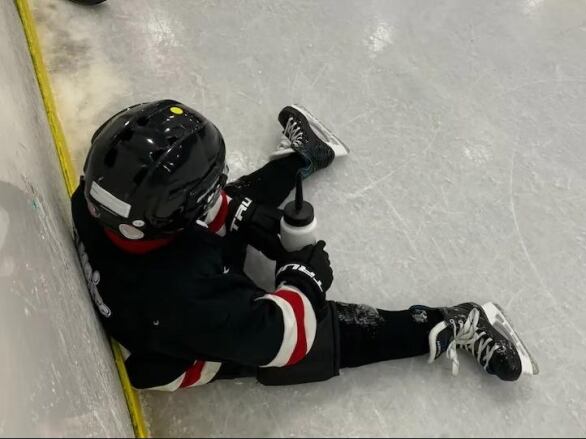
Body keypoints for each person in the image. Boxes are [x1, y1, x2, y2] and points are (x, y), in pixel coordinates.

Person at [71, 100, 538, 391]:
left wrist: (240, 216)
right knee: (318, 335)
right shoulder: (187, 300)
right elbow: (283, 338)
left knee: (237, 210)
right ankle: (448, 323)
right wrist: (304, 278)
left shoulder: (95, 200)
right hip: (184, 345)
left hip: (152, 287)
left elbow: (179, 213)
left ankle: (303, 159)